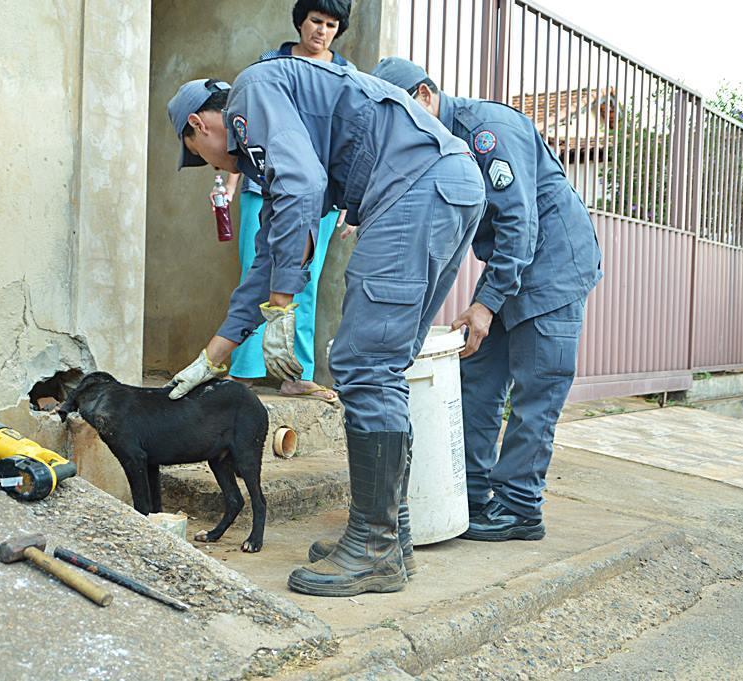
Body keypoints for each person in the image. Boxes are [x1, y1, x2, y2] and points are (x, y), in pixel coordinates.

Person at [165, 56, 485, 597]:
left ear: (198, 126)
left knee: (363, 364)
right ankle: (390, 537)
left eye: (200, 156)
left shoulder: (252, 93)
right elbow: (270, 253)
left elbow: (305, 185)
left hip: (415, 188)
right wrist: (212, 356)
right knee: (381, 366)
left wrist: (282, 308)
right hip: (441, 185)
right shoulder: (277, 127)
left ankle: (373, 546)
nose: (219, 169)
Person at [370, 57, 603, 541]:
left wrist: (487, 301)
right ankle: (472, 493)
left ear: (425, 95)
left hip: (553, 263)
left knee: (536, 387)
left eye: (403, 116)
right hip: (511, 266)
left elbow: (521, 222)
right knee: (477, 374)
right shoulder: (439, 147)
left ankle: (520, 509)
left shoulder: (487, 130)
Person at [222, 0, 355, 404]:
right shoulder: (268, 64)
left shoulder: (344, 74)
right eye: (316, 21)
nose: (322, 31)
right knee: (255, 273)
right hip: (261, 186)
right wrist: (229, 181)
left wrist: (350, 199)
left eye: (332, 25)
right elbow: (242, 127)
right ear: (301, 22)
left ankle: (296, 373)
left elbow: (347, 140)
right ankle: (242, 371)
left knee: (305, 280)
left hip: (320, 196)